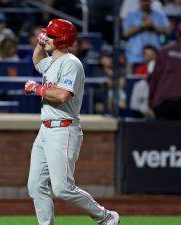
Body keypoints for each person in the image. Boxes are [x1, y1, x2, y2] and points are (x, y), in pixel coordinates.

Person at [24, 19, 120, 225]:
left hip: (64, 129)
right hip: (45, 130)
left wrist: (37, 89)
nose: (45, 37)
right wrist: (41, 43)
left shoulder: (71, 63)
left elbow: (63, 95)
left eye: (51, 36)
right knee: (35, 186)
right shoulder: (52, 61)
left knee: (62, 188)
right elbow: (37, 60)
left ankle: (105, 216)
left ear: (63, 39)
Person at [122, 0, 170, 73]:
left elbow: (168, 31)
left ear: (151, 2)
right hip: (135, 57)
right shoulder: (131, 14)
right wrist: (142, 25)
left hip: (155, 57)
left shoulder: (159, 15)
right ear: (139, 2)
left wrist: (153, 27)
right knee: (134, 81)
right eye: (143, 1)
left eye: (148, 1)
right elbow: (126, 33)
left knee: (155, 82)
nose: (146, 3)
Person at [148, 26, 181, 120]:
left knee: (164, 133)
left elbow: (154, 79)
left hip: (163, 101)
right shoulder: (164, 52)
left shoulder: (164, 52)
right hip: (165, 101)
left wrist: (150, 103)